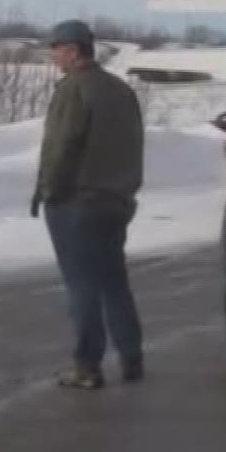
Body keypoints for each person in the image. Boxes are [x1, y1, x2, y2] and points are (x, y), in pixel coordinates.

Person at [32, 19, 146, 389]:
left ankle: (86, 364)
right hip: (116, 200)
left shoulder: (74, 90)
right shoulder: (120, 90)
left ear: (73, 50)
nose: (53, 56)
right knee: (114, 280)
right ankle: (131, 356)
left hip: (78, 202)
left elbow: (61, 147)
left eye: (57, 48)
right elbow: (134, 145)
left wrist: (50, 190)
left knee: (82, 285)